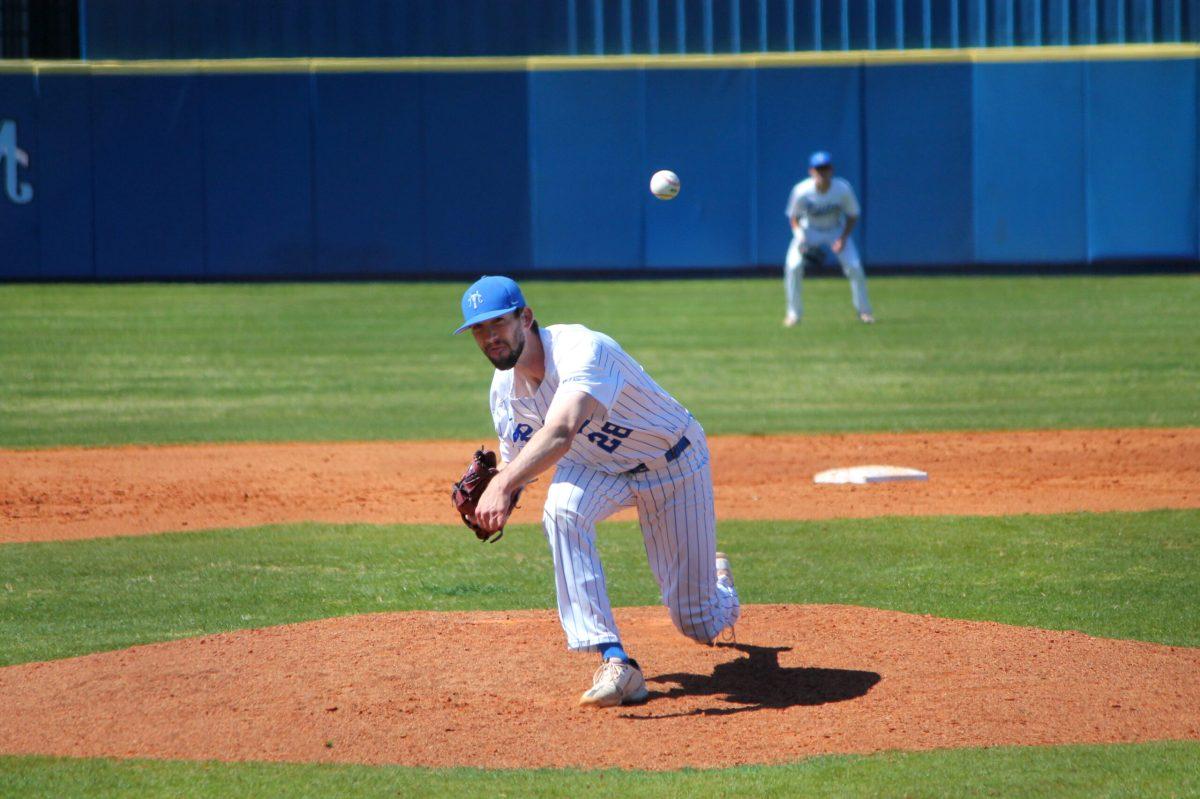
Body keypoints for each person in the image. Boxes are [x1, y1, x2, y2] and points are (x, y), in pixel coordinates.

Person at [455, 275, 740, 708]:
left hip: (672, 462)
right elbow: (519, 461)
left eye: (497, 323)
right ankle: (614, 660)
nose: (489, 337)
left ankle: (719, 586)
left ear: (525, 317)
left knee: (698, 623)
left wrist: (502, 483)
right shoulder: (503, 391)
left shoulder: (582, 350)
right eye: (478, 328)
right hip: (597, 468)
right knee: (561, 510)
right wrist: (502, 498)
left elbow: (562, 431)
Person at [783, 150, 874, 326]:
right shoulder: (801, 190)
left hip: (835, 229)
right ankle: (793, 314)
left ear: (831, 170)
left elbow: (853, 214)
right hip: (809, 230)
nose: (822, 173)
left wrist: (843, 238)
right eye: (818, 169)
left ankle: (864, 312)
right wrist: (800, 237)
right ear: (811, 171)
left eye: (825, 168)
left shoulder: (842, 189)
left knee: (854, 267)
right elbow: (793, 216)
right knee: (793, 267)